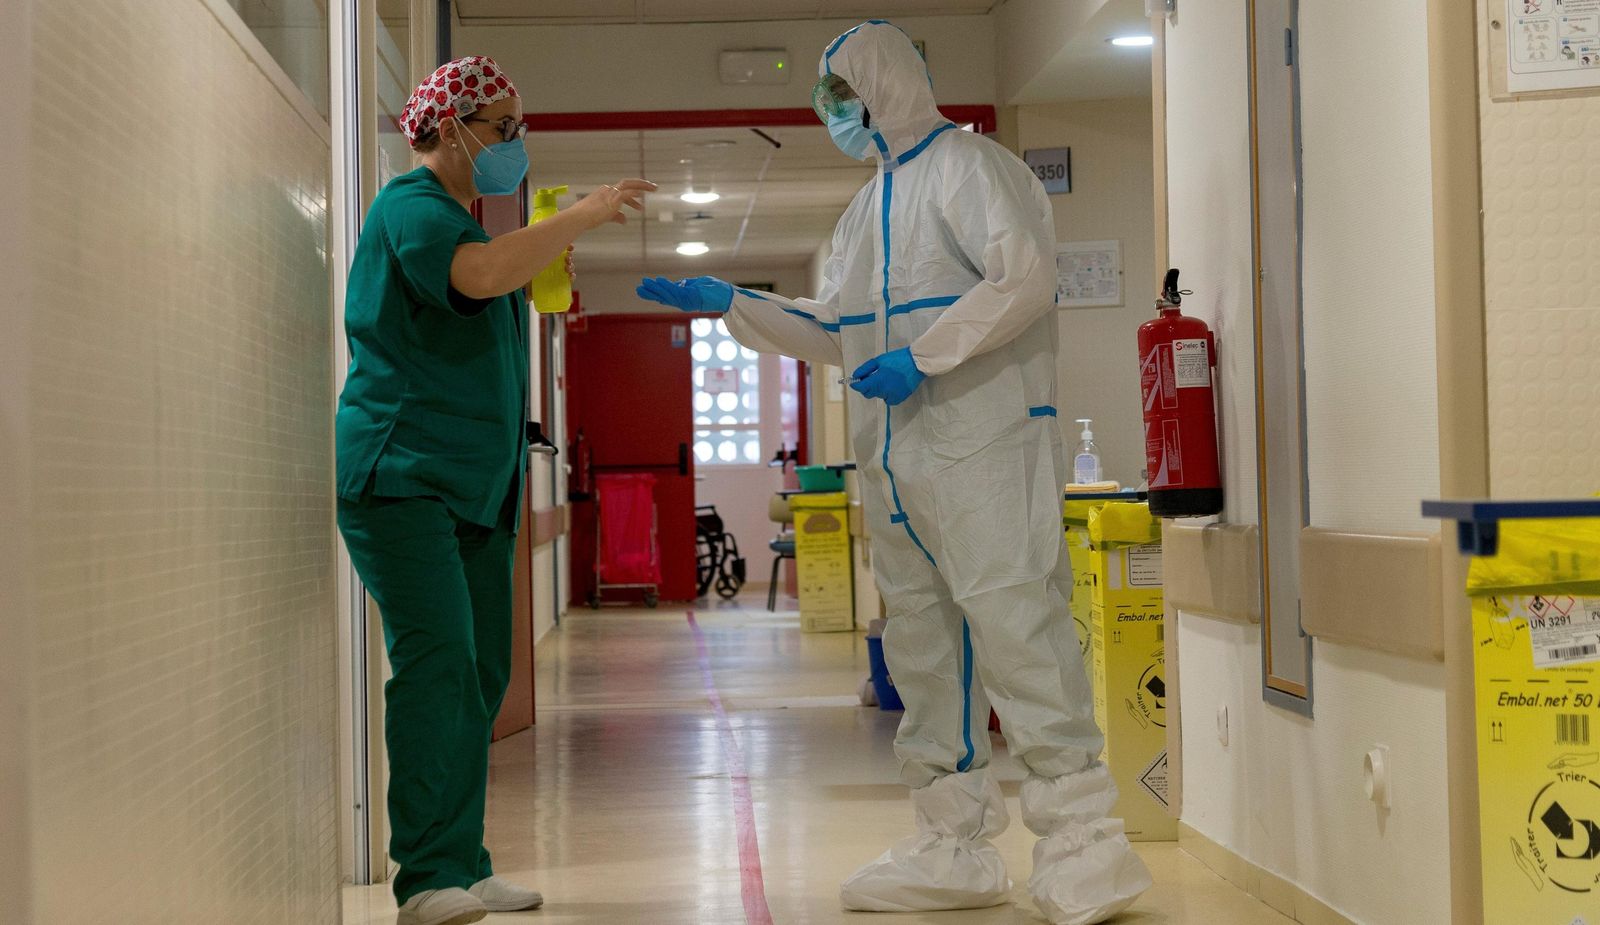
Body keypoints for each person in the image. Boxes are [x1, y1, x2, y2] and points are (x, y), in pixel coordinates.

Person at [636, 22, 1150, 925]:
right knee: (922, 644)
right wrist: (736, 304)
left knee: (1019, 631)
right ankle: (952, 843)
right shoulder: (861, 210)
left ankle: (1085, 844)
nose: (832, 112)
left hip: (984, 447)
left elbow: (1024, 279)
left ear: (885, 85)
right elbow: (835, 330)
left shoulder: (972, 169)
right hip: (899, 461)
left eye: (841, 93)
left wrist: (926, 353)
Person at [336, 55, 654, 925]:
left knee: (479, 671)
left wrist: (546, 255)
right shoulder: (412, 207)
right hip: (402, 478)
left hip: (473, 489)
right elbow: (475, 277)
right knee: (438, 663)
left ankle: (464, 861)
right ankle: (424, 877)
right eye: (503, 126)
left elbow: (491, 285)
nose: (516, 142)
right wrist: (578, 213)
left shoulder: (464, 224)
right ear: (450, 128)